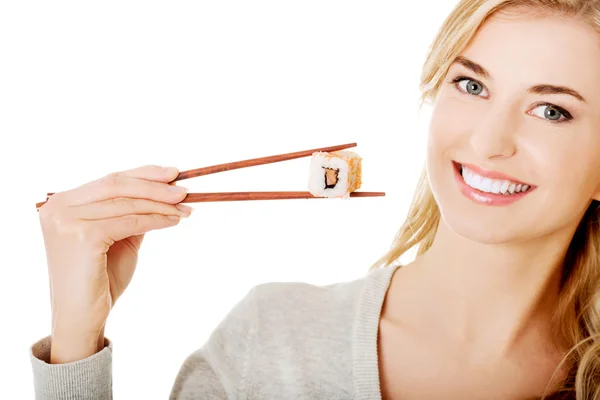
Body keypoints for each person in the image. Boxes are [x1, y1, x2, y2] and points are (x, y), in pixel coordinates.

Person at [29, 0, 600, 398]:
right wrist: (77, 332)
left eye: (552, 110)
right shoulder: (270, 340)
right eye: (471, 85)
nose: (486, 141)